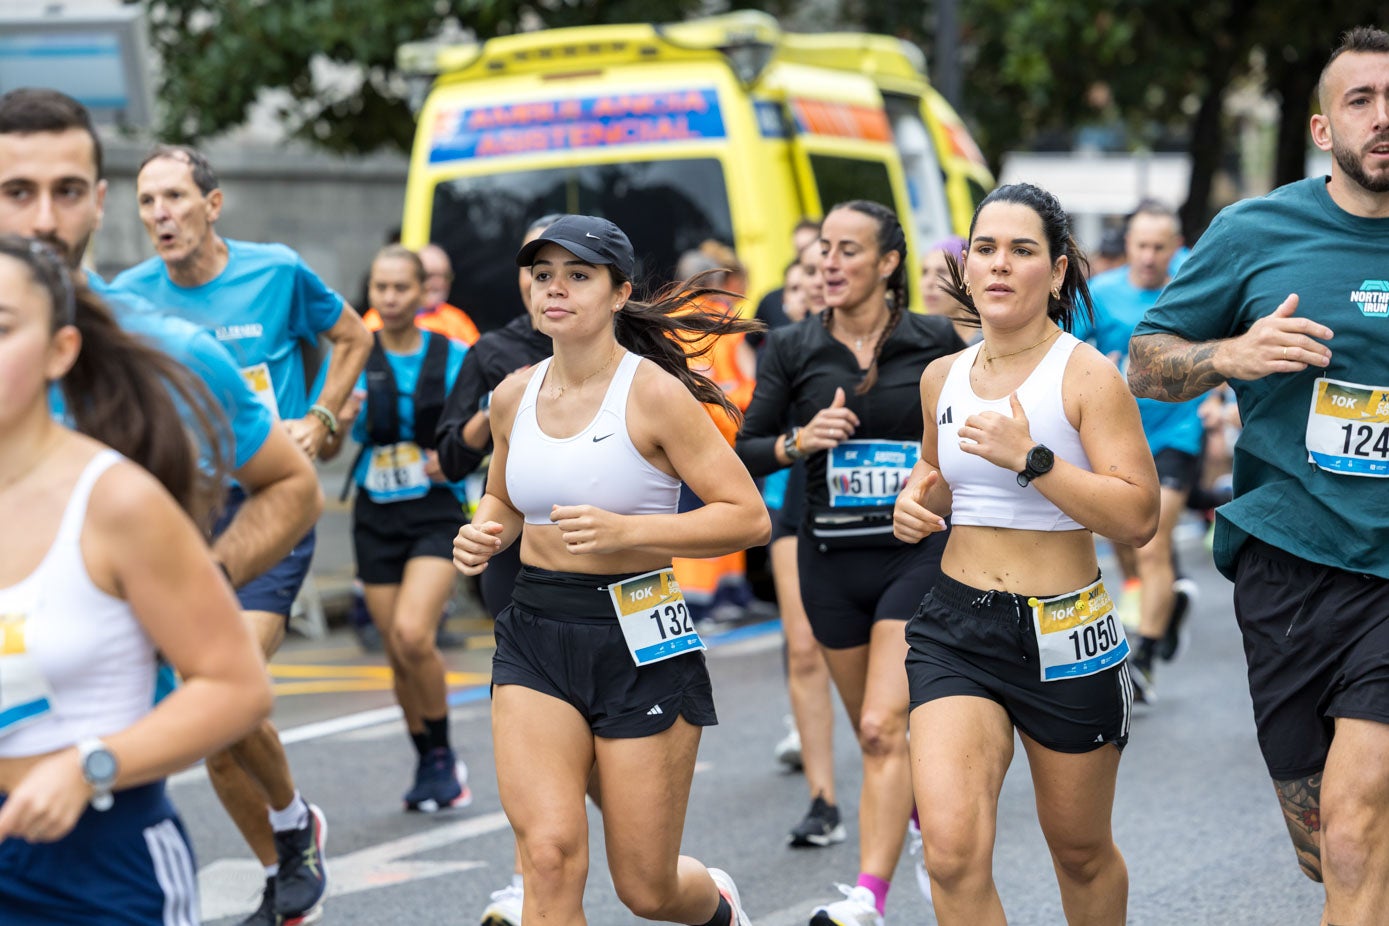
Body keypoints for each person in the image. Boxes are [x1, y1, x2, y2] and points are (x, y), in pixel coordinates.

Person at [1128, 26, 1389, 923]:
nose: (1382, 118)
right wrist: (1231, 354)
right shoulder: (1254, 232)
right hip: (1288, 559)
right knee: (1326, 850)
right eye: (1360, 101)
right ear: (1323, 129)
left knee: (1357, 831)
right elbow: (1145, 360)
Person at [452, 214, 766, 926]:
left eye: (577, 275)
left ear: (620, 292)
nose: (554, 289)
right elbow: (501, 495)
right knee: (550, 856)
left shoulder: (652, 393)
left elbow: (747, 516)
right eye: (541, 275)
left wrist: (631, 530)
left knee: (646, 887)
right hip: (535, 628)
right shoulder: (512, 396)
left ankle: (714, 904)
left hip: (638, 631)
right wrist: (482, 534)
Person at [115, 144, 373, 925]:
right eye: (148, 202)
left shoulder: (276, 272)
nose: (161, 214)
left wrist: (321, 420)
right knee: (215, 721)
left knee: (220, 688)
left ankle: (292, 835)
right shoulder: (127, 297)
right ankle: (285, 858)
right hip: (184, 513)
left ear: (212, 204)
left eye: (174, 198)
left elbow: (352, 338)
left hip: (268, 505)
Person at [893, 182, 1159, 924]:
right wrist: (917, 502)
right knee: (948, 853)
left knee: (1078, 851)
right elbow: (939, 479)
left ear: (1059, 269)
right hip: (955, 628)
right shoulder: (941, 377)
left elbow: (1138, 515)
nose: (1000, 265)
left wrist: (1033, 459)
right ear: (966, 267)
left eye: (1021, 250)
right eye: (985, 249)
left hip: (1063, 632)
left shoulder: (1085, 375)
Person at [0, 236, 273, 923]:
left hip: (96, 865)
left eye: (1, 328)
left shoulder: (117, 501)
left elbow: (236, 687)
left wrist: (91, 763)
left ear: (60, 351)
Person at [736, 199, 964, 926]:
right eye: (822, 251)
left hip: (914, 554)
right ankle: (924, 824)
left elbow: (965, 438)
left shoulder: (935, 343)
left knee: (875, 726)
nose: (828, 264)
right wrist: (798, 442)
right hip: (828, 561)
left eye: (847, 251)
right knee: (881, 737)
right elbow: (742, 449)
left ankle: (866, 897)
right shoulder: (794, 347)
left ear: (888, 264)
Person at [0, 89, 323, 599]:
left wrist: (202, 587)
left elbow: (294, 486)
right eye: (17, 192)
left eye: (67, 191)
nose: (43, 220)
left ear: (98, 203)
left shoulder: (167, 348)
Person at [320, 244, 473, 813]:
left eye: (400, 288)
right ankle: (425, 755)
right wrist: (341, 422)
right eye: (379, 289)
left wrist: (453, 456)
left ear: (422, 292)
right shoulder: (355, 357)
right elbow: (328, 442)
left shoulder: (454, 355)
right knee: (395, 650)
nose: (388, 298)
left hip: (435, 509)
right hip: (375, 510)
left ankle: (443, 756)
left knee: (414, 634)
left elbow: (484, 431)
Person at [1073, 200, 1204, 704]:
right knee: (1126, 540)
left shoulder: (1191, 290)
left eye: (1159, 246)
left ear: (1177, 248)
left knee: (1154, 540)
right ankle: (1162, 614)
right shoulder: (1100, 295)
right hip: (1118, 440)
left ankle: (1144, 659)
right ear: (1127, 245)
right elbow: (1070, 355)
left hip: (1178, 433)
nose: (1149, 256)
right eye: (1141, 245)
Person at [362, 243, 481, 345]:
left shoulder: (457, 320)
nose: (435, 284)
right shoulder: (376, 319)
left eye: (444, 276)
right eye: (429, 276)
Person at [920, 235, 978, 346]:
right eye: (925, 272)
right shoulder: (920, 345)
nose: (929, 283)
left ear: (967, 277)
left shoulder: (989, 342)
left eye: (942, 272)